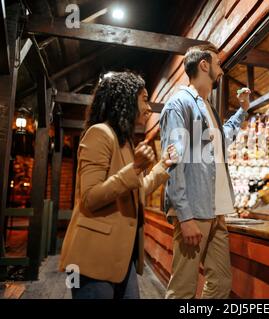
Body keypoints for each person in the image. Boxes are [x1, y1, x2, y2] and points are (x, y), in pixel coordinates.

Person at [59, 71, 177, 299]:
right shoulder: (99, 134)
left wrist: (163, 166)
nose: (149, 107)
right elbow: (90, 197)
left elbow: (136, 189)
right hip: (92, 259)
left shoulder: (125, 143)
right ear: (126, 99)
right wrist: (135, 167)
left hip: (122, 258)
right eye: (144, 98)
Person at [160, 44, 251, 299]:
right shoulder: (179, 104)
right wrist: (185, 216)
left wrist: (243, 110)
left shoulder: (209, 109)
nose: (221, 70)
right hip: (195, 212)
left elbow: (224, 141)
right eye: (218, 63)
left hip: (217, 211)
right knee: (182, 290)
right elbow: (173, 161)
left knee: (221, 283)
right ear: (204, 65)